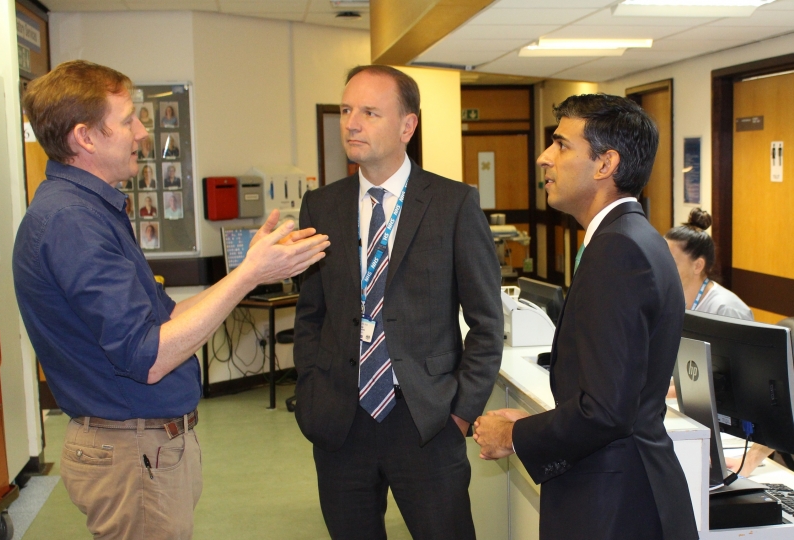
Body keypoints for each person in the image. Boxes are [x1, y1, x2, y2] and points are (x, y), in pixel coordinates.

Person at [13, 60, 329, 540]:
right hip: (130, 452)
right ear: (85, 137)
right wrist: (248, 277)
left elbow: (168, 319)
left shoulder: (90, 211)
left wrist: (248, 272)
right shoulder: (72, 222)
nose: (142, 132)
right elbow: (150, 356)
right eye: (127, 120)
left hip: (141, 448)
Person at [473, 94, 698, 540]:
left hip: (615, 506)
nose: (544, 158)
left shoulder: (618, 250)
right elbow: (613, 395)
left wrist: (516, 437)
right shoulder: (633, 237)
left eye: (561, 145)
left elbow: (605, 412)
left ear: (605, 164)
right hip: (624, 490)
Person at [293, 65, 503, 539]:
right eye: (347, 110)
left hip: (426, 419)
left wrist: (461, 412)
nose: (351, 123)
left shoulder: (454, 204)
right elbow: (311, 313)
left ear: (408, 125)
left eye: (369, 112)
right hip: (341, 420)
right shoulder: (321, 206)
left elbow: (487, 323)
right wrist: (311, 392)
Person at [665, 208, 773, 475]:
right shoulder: (676, 301)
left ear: (697, 265)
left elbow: (736, 383)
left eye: (670, 261)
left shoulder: (727, 310)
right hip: (694, 415)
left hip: (730, 429)